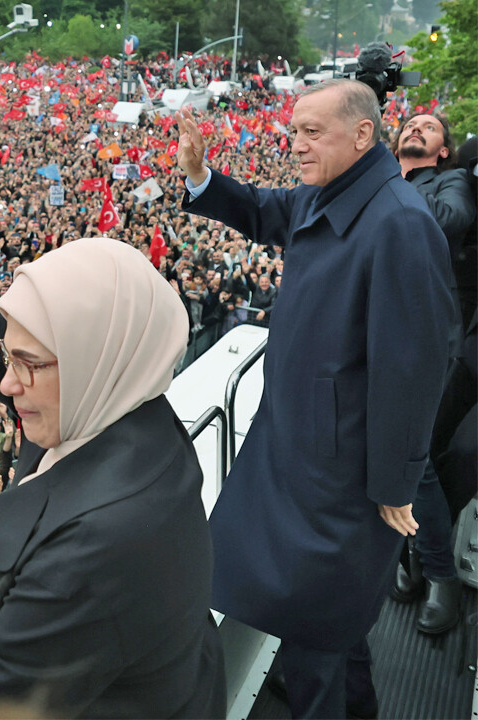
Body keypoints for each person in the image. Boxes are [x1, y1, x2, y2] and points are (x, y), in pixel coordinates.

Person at [0, 157, 225, 719]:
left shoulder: (100, 546)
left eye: (27, 363)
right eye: (12, 356)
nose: (6, 382)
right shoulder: (121, 402)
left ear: (94, 362)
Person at [177, 79, 453, 718]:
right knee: (330, 620)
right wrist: (201, 177)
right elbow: (260, 209)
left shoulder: (402, 225)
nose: (294, 144)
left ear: (361, 135)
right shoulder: (329, 193)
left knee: (320, 630)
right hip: (298, 450)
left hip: (343, 475)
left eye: (310, 133)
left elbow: (412, 372)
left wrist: (393, 484)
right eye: (293, 130)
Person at [389, 112, 475, 635]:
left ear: (443, 150)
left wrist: (393, 186)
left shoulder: (450, 181)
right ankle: (411, 555)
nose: (415, 128)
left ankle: (435, 570)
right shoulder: (379, 176)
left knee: (414, 453)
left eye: (429, 126)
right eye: (410, 123)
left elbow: (447, 219)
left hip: (424, 334)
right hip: (374, 328)